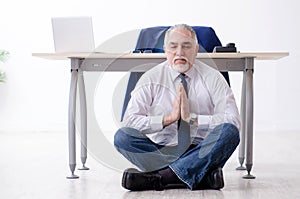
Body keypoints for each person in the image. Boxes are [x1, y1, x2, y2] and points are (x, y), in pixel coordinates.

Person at [114, 24, 241, 191]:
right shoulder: (151, 77)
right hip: (161, 151)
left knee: (229, 133)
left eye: (186, 46)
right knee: (122, 137)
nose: (180, 52)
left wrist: (194, 119)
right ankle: (199, 175)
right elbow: (129, 122)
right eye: (173, 46)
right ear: (165, 50)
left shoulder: (212, 77)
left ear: (196, 50)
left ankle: (161, 178)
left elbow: (234, 121)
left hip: (201, 150)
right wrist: (167, 119)